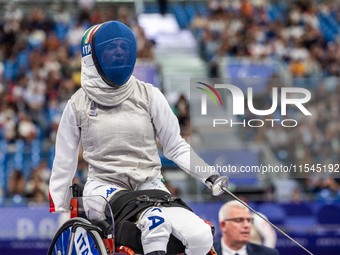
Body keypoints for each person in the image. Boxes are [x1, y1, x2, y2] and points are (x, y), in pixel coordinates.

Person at [49, 21, 221, 255]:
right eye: (111, 46)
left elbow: (176, 147)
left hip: (150, 187)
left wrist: (208, 175)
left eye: (124, 46)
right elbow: (64, 161)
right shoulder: (77, 104)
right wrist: (61, 209)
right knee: (155, 224)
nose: (119, 51)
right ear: (93, 55)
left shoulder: (150, 95)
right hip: (104, 189)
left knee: (199, 234)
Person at [213, 200, 279, 255]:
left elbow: (270, 236)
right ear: (223, 225)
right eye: (239, 220)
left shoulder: (269, 254)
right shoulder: (205, 252)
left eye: (249, 220)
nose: (246, 225)